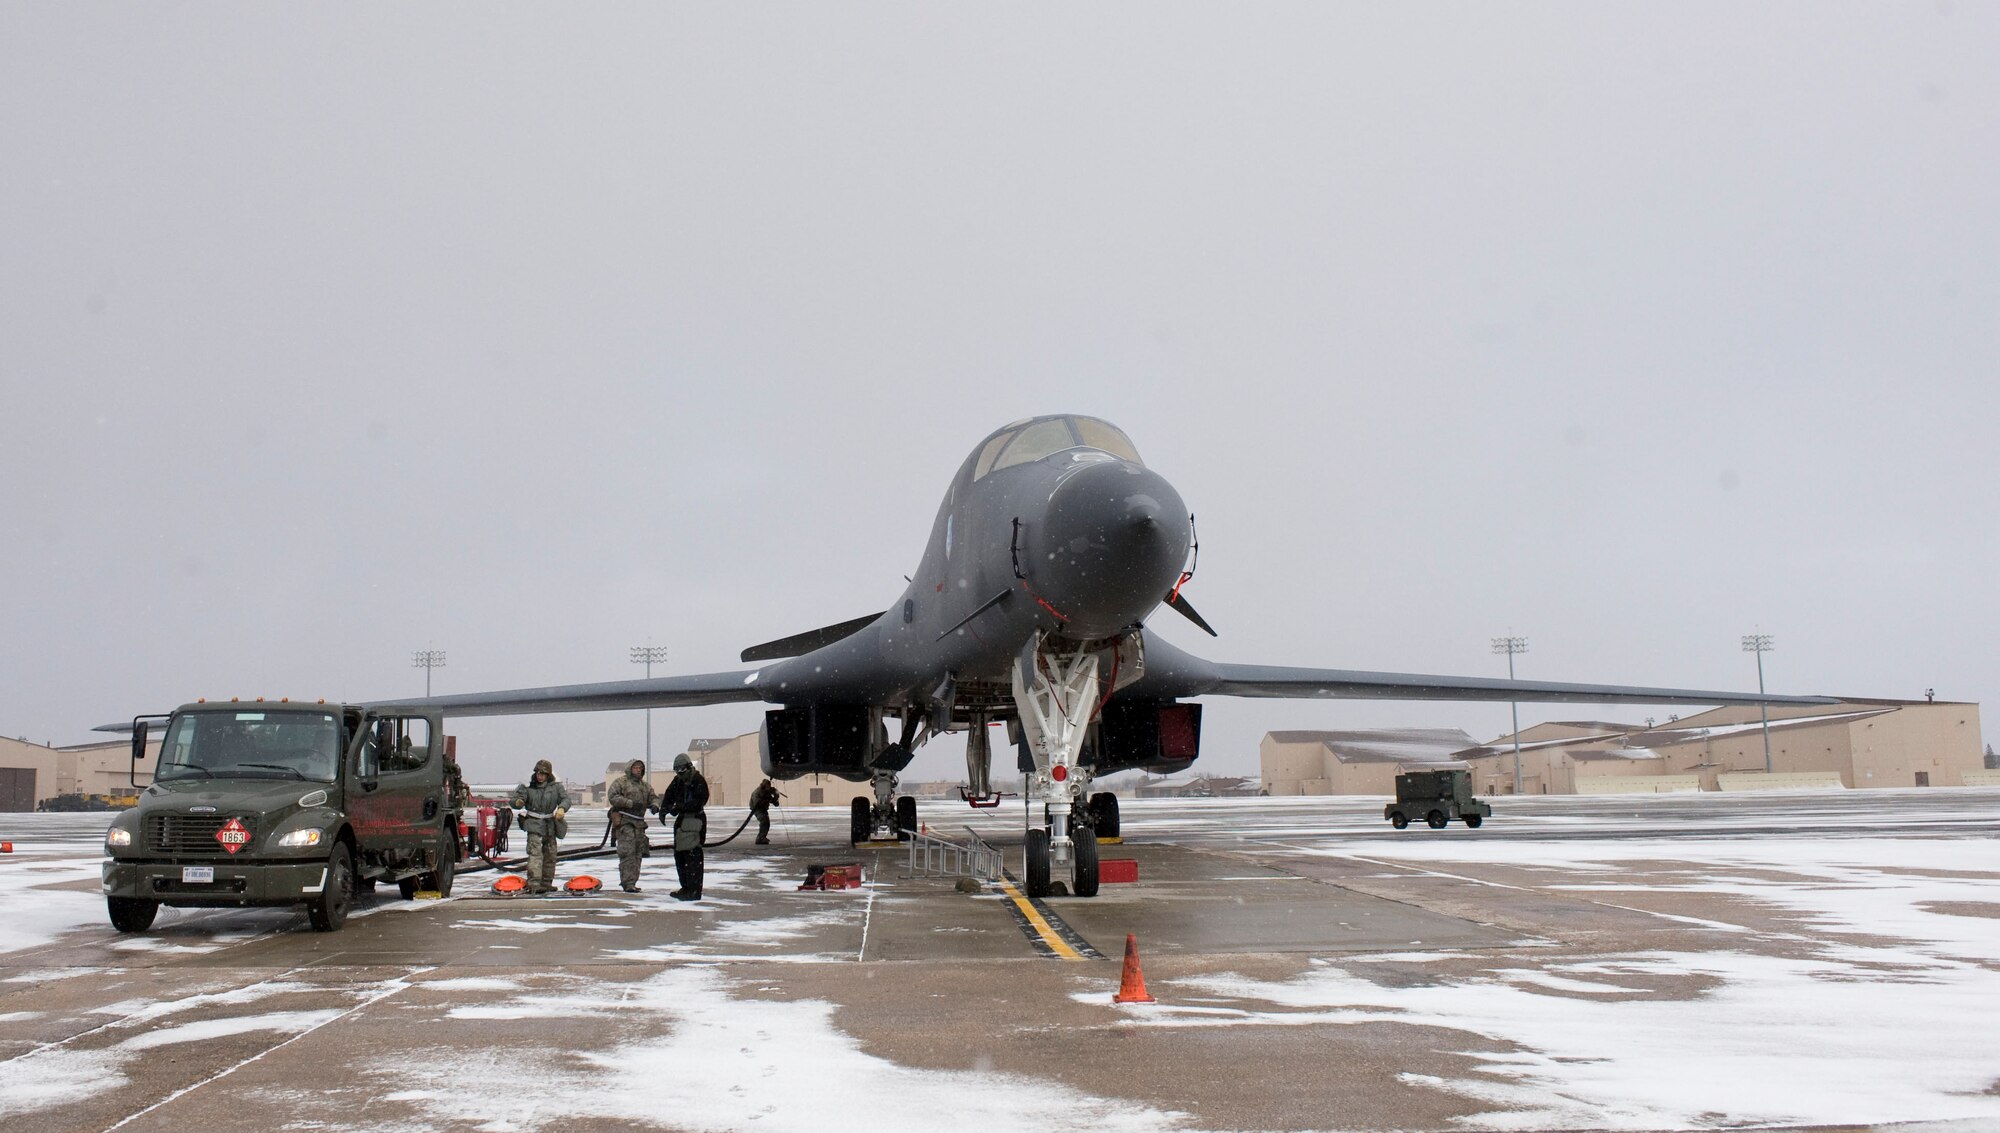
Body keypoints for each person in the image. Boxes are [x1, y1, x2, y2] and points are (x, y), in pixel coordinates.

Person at [510, 759, 571, 894]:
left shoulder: (556, 786)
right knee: (535, 855)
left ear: (548, 775)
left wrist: (562, 808)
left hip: (550, 824)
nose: (540, 776)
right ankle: (534, 883)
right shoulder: (527, 786)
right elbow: (514, 799)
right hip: (534, 824)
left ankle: (546, 883)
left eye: (543, 774)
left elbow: (566, 799)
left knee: (550, 855)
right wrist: (518, 802)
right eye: (538, 773)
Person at [660, 753, 709, 900]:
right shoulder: (678, 781)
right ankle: (686, 887)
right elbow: (669, 795)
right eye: (677, 769)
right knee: (680, 856)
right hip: (683, 822)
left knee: (692, 857)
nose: (680, 772)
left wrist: (680, 807)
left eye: (682, 768)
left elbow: (700, 800)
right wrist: (664, 809)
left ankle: (694, 891)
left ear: (689, 766)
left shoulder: (698, 780)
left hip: (695, 820)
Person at [607, 758, 658, 893]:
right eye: (635, 767)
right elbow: (613, 797)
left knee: (637, 854)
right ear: (630, 768)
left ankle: (633, 881)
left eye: (640, 768)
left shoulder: (645, 786)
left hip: (639, 824)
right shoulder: (621, 783)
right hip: (625, 822)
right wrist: (629, 803)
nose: (638, 770)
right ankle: (628, 882)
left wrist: (654, 805)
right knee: (627, 853)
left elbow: (653, 797)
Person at [748, 778, 783, 845]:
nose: (769, 788)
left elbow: (774, 800)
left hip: (763, 809)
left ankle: (762, 837)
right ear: (764, 786)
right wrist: (768, 800)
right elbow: (757, 804)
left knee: (767, 823)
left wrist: (776, 794)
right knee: (764, 821)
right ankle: (760, 838)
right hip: (757, 809)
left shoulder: (767, 791)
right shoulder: (757, 792)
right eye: (768, 787)